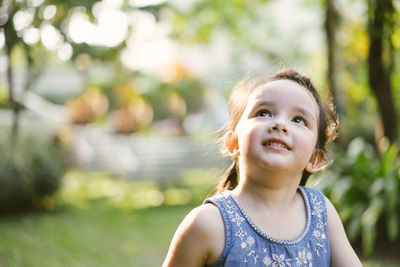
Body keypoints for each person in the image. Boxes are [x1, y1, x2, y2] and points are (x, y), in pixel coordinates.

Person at [162, 69, 362, 267]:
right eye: (263, 112)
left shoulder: (321, 213)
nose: (279, 124)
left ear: (314, 158)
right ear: (233, 143)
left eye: (298, 120)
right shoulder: (207, 224)